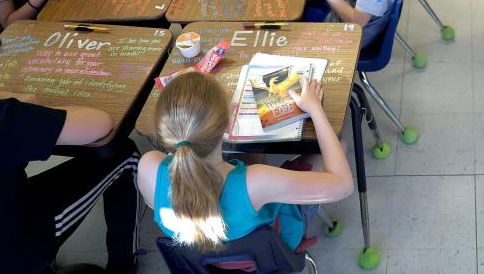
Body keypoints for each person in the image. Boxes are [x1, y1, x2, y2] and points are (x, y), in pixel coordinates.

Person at [0, 27, 141, 274]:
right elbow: (100, 123)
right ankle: (123, 266)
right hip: (8, 247)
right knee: (125, 154)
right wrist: (24, 107)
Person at [136, 70, 353, 252]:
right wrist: (315, 109)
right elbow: (343, 185)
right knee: (338, 145)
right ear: (230, 125)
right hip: (274, 248)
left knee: (252, 162)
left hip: (204, 257)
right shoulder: (257, 180)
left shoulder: (148, 166)